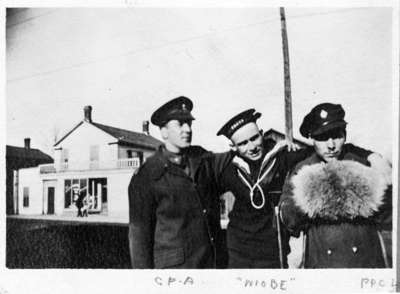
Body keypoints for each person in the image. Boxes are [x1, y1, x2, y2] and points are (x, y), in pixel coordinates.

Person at [216, 108, 384, 268]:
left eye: (254, 138)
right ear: (233, 147)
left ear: (261, 134)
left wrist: (372, 156)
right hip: (238, 250)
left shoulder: (284, 156)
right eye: (243, 143)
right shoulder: (226, 167)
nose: (252, 147)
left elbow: (327, 147)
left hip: (273, 250)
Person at [279, 103, 392, 268]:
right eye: (323, 138)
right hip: (322, 264)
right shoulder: (303, 170)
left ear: (345, 136)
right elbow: (288, 220)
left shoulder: (363, 164)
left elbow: (389, 217)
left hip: (365, 263)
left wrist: (372, 194)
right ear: (312, 139)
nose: (331, 145)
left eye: (336, 136)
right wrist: (310, 197)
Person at [128, 96, 228, 269]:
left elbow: (232, 158)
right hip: (175, 273)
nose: (187, 129)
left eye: (189, 123)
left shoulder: (202, 159)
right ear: (164, 131)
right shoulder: (147, 175)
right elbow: (139, 238)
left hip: (210, 266)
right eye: (180, 124)